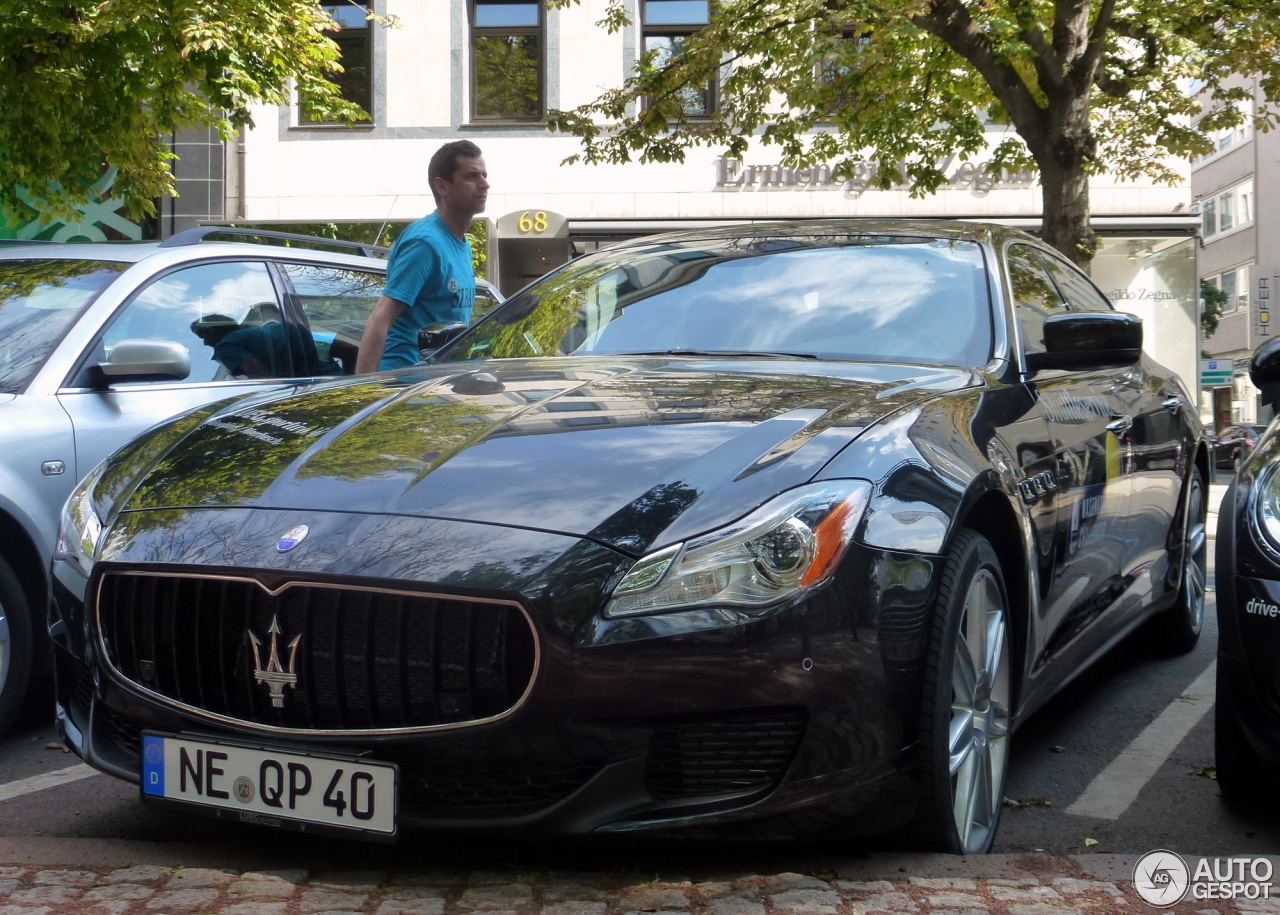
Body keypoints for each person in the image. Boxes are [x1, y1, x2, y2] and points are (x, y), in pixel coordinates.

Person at [356, 140, 489, 373]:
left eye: (484, 175)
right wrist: (364, 391)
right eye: (472, 176)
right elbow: (381, 317)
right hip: (405, 383)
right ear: (442, 186)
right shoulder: (425, 243)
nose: (484, 184)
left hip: (438, 385)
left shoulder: (462, 244)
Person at [191, 314, 341, 379]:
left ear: (210, 330)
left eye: (203, 337)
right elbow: (349, 349)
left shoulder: (227, 346)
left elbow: (259, 375)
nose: (205, 343)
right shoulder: (287, 330)